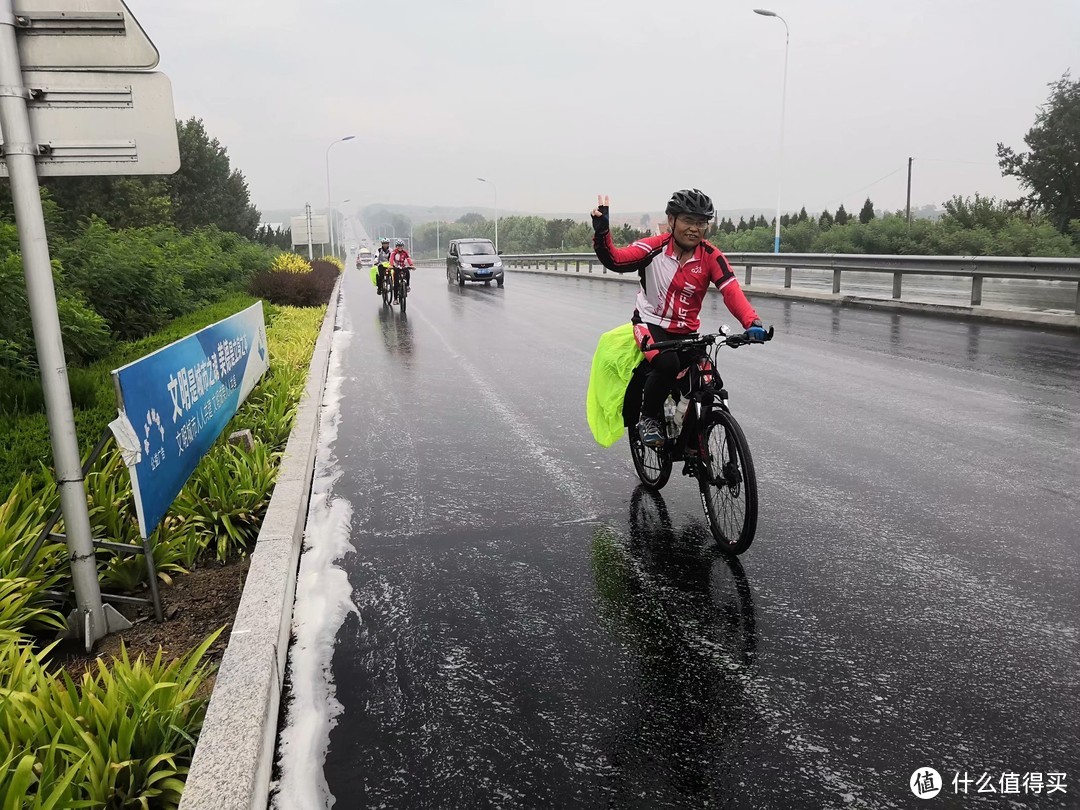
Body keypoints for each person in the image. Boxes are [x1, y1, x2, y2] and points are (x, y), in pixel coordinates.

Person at [591, 189, 771, 449]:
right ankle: (649, 418)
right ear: (672, 220)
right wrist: (602, 235)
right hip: (650, 324)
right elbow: (616, 260)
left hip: (686, 331)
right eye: (688, 221)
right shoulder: (653, 248)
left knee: (707, 377)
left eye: (701, 223)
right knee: (667, 364)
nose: (694, 229)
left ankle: (692, 436)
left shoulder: (710, 256)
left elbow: (731, 291)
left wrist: (751, 323)